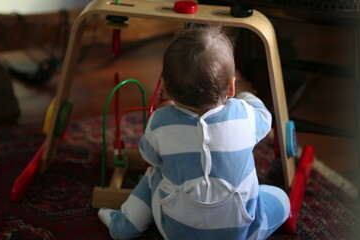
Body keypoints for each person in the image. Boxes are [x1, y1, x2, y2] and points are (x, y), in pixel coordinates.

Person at [98, 25, 290, 240]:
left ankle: (124, 225)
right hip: (240, 233)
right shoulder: (244, 115)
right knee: (282, 199)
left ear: (165, 88)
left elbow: (150, 157)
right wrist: (245, 93)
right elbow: (265, 117)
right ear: (231, 88)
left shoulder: (160, 121)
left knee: (154, 175)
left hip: (177, 233)